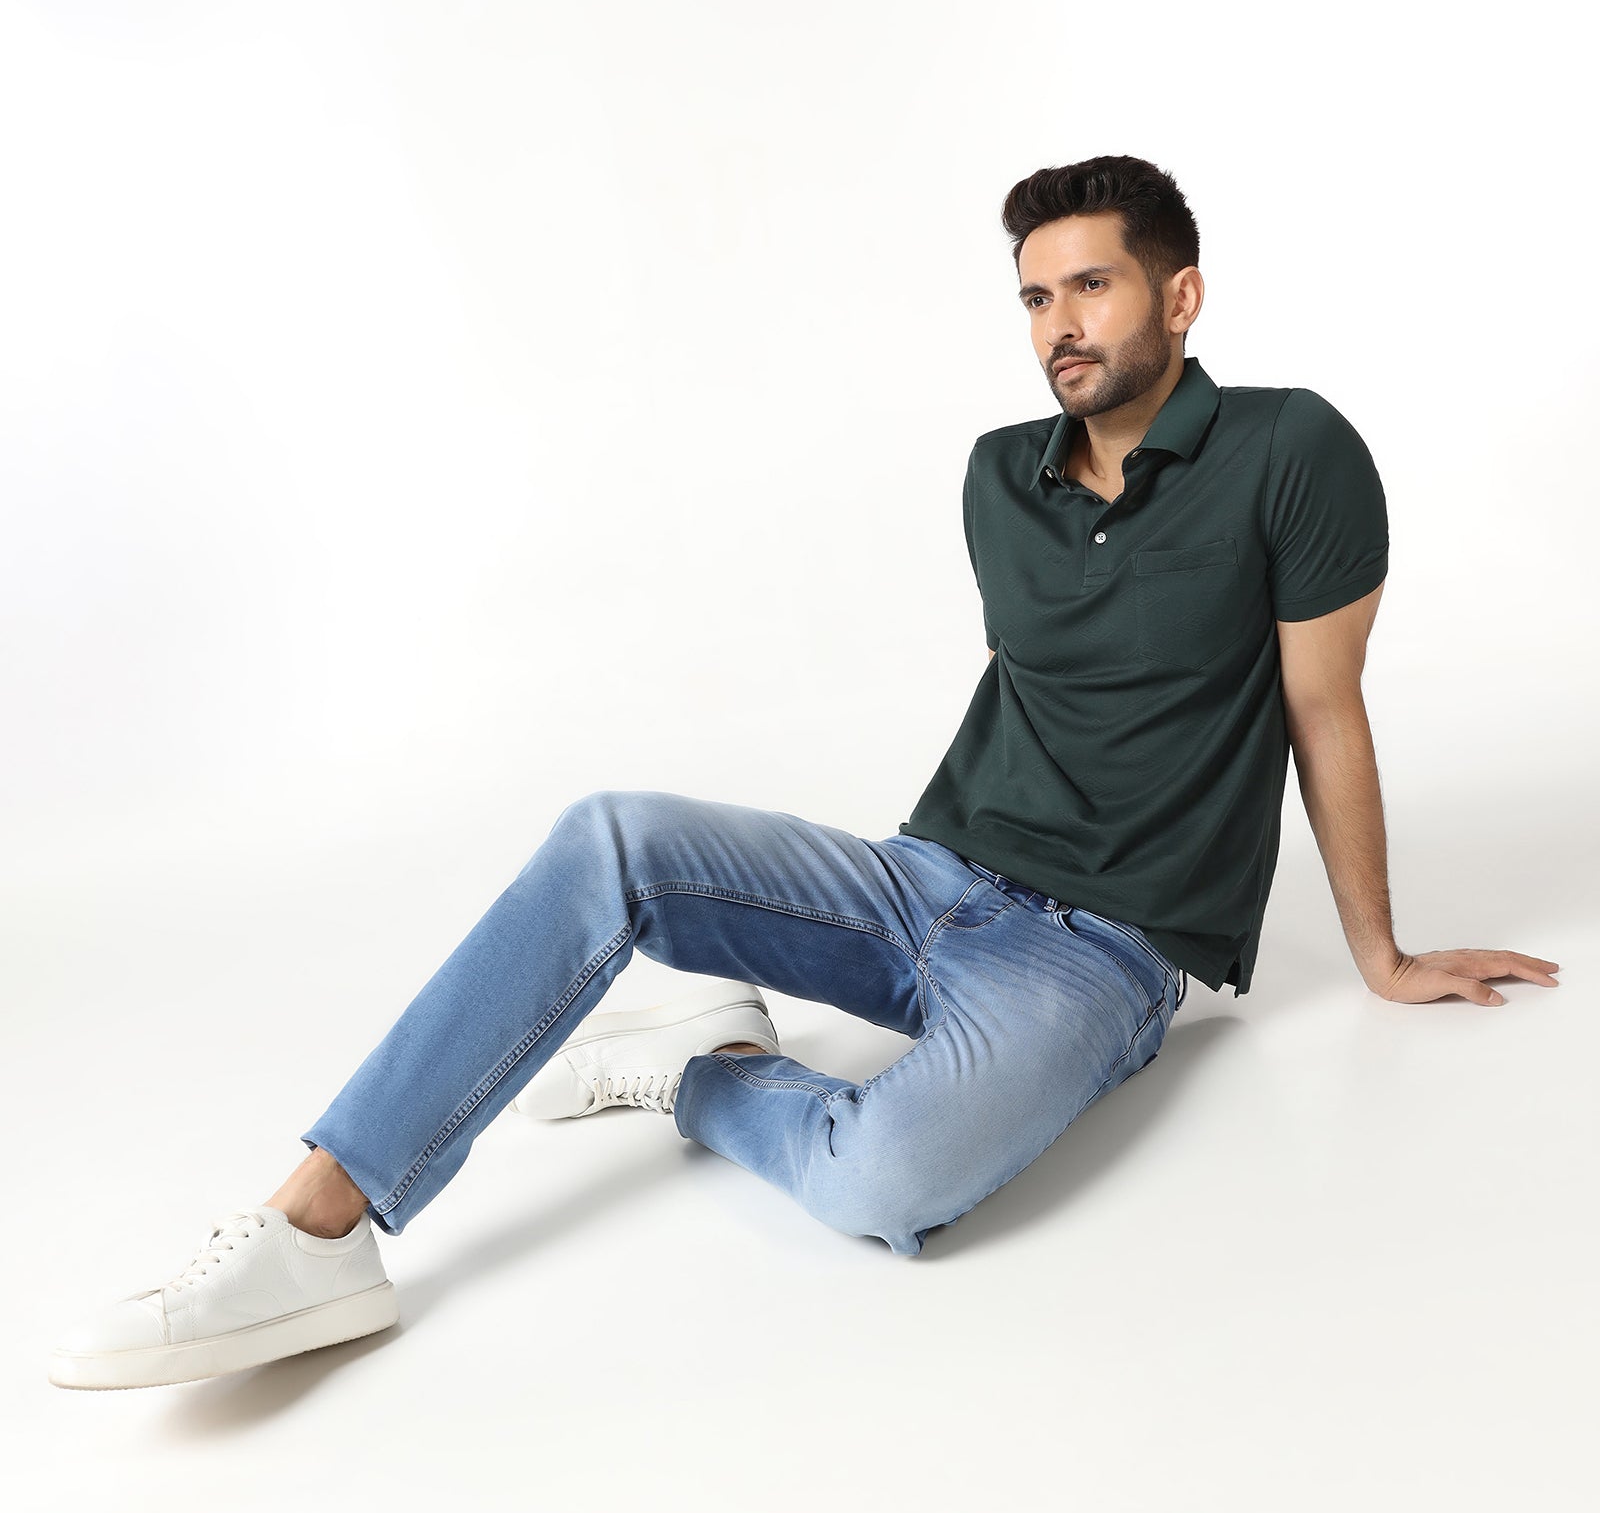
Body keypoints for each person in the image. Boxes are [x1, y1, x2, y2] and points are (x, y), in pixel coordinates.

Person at [49, 153, 1559, 1390]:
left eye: (1091, 285)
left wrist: (1379, 954)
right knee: (612, 835)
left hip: (1098, 959)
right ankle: (316, 1228)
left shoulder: (1294, 450)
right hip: (923, 881)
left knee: (881, 1185)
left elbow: (1324, 708)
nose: (1058, 325)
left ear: (1181, 293)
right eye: (1035, 296)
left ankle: (704, 1069)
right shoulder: (999, 473)